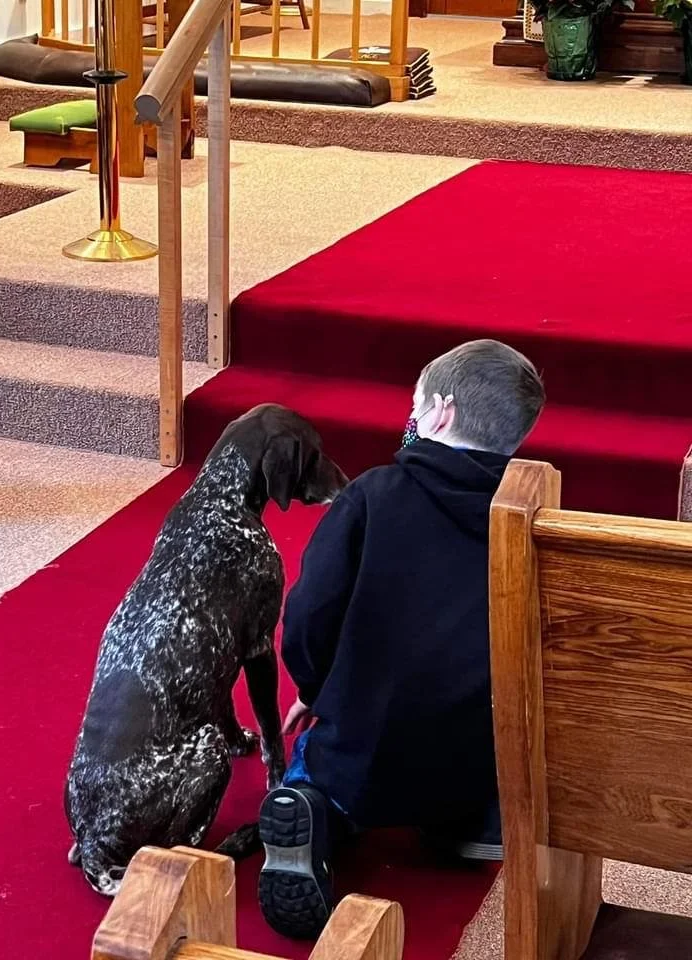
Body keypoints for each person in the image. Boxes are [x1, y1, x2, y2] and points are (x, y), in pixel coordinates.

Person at [257, 339, 545, 939]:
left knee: (317, 767)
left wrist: (317, 689)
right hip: (476, 751)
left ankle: (317, 814)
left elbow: (309, 616)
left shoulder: (372, 496)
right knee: (472, 743)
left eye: (414, 405)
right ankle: (473, 826)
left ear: (439, 411)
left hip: (369, 744)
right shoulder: (533, 516)